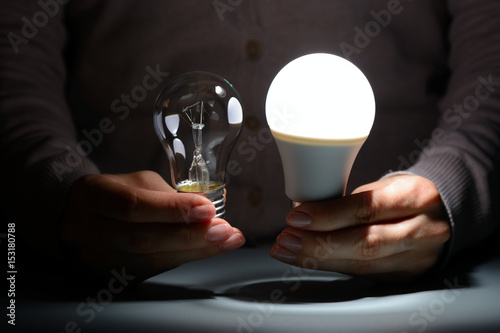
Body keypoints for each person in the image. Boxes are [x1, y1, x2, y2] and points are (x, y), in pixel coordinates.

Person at [1, 0, 499, 283]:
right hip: (112, 277)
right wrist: (55, 191)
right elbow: (12, 62)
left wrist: (448, 190)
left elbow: (492, 67)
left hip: (409, 274)